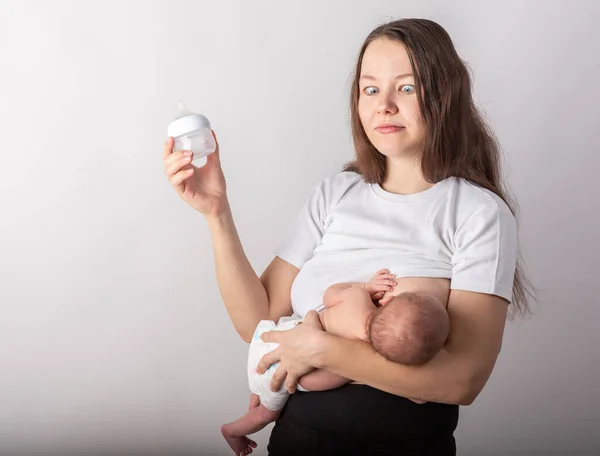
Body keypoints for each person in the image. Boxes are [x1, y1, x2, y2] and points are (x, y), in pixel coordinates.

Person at [163, 17, 534, 456]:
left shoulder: (478, 213)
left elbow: (462, 380)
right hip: (297, 440)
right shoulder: (336, 193)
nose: (385, 106)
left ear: (445, 96)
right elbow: (256, 321)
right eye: (371, 89)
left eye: (408, 88)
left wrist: (322, 349)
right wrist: (216, 212)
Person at [221, 270, 450, 455]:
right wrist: (351, 374)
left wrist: (365, 288)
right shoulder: (349, 361)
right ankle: (232, 431)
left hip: (275, 334)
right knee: (266, 415)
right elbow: (309, 382)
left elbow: (329, 295)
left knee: (311, 315)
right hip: (279, 365)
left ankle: (255, 391)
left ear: (389, 299)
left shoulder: (356, 299)